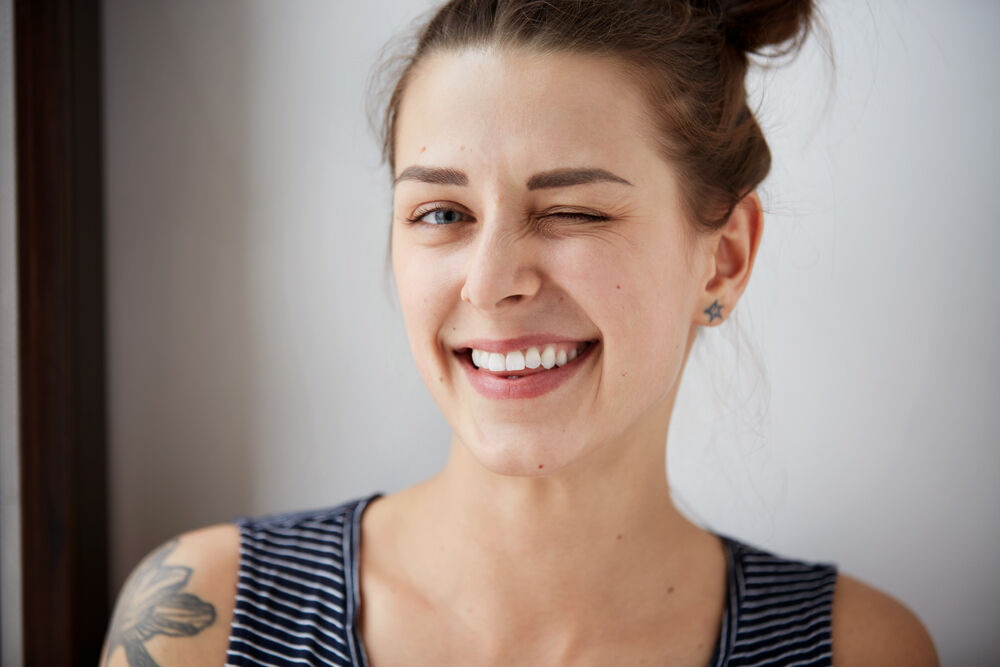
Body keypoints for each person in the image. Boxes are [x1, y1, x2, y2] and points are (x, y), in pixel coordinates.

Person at [100, 1, 940, 665]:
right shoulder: (202, 622)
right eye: (442, 212)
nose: (492, 279)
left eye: (572, 210)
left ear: (723, 258)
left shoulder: (860, 652)